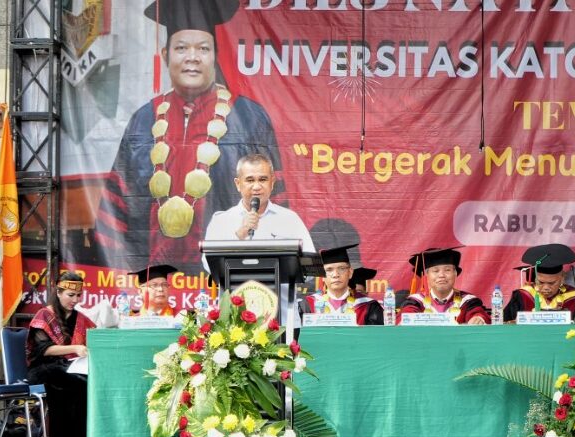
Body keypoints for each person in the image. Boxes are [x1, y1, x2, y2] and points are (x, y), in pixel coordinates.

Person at [95, 0, 283, 274]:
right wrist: (119, 277)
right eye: (181, 48)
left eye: (203, 49)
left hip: (225, 271)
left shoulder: (249, 116)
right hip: (154, 276)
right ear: (165, 54)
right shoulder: (143, 119)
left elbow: (273, 199)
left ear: (215, 56)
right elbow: (118, 205)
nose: (192, 57)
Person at [26, 272, 96, 437]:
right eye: (70, 295)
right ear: (58, 292)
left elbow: (94, 340)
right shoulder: (44, 315)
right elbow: (43, 350)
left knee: (87, 381)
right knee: (76, 381)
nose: (75, 300)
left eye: (78, 295)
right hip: (43, 368)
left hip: (69, 367)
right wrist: (74, 348)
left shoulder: (81, 319)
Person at [203, 153, 314, 250]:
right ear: (238, 184)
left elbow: (310, 264)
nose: (256, 186)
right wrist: (240, 234)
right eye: (250, 180)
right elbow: (208, 263)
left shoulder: (289, 219)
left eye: (262, 179)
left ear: (272, 182)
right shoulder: (221, 221)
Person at [503, 243, 575, 322]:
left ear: (562, 278)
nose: (546, 288)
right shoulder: (522, 296)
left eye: (552, 283)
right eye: (541, 282)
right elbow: (505, 325)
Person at [398, 247, 490, 325]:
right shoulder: (416, 301)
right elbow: (407, 314)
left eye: (447, 270)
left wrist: (479, 319)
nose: (441, 275)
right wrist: (406, 320)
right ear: (427, 276)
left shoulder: (468, 301)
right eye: (435, 271)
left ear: (455, 274)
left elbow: (477, 313)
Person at [303, 244, 384, 325]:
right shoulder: (308, 305)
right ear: (322, 276)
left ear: (350, 273)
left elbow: (377, 336)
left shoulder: (369, 306)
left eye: (341, 269)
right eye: (329, 270)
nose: (335, 275)